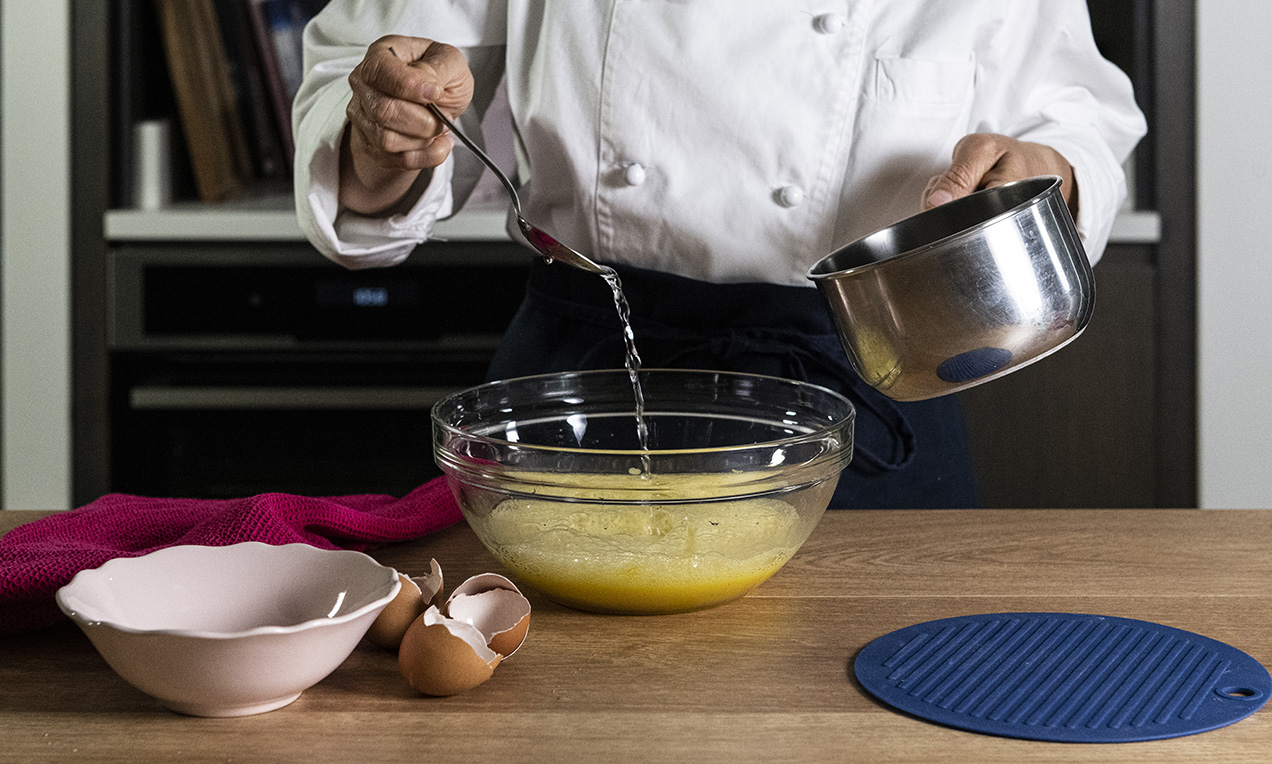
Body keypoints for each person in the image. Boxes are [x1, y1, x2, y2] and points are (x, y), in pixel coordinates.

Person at [293, 1, 1146, 509]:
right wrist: (383, 131)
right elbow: (381, 73)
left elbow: (1075, 113)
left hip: (871, 375)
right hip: (587, 383)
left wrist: (1048, 175)